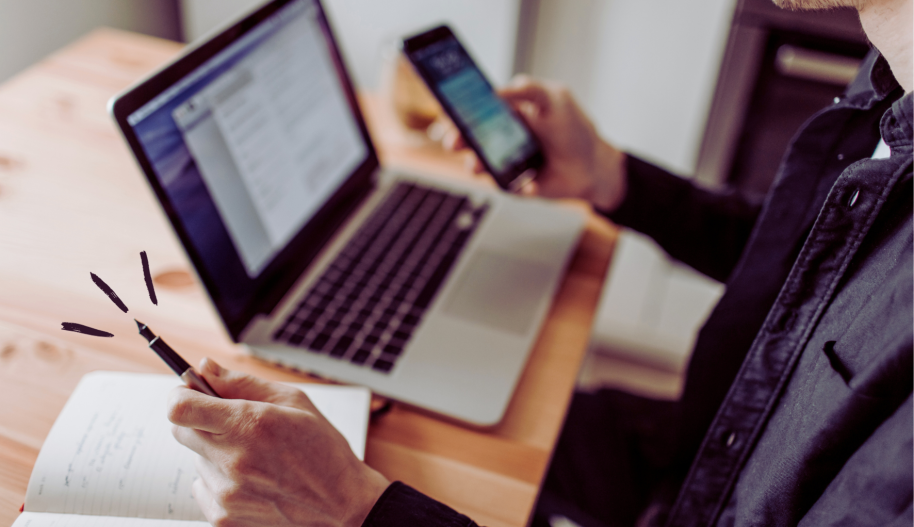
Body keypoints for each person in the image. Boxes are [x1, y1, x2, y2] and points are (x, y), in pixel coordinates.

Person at [166, 0, 913, 525]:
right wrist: (613, 178)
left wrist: (356, 512)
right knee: (467, 422)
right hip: (700, 441)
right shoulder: (886, 75)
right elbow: (817, 260)